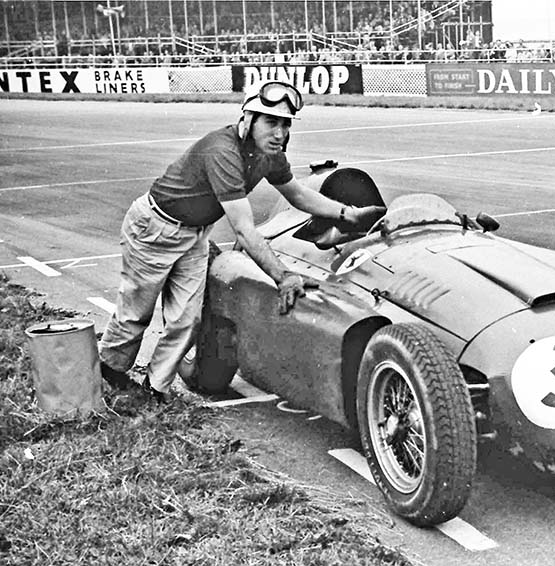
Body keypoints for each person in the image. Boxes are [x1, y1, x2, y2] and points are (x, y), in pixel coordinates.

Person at [97, 79, 385, 401]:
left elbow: (299, 195)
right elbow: (245, 231)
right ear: (247, 119)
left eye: (285, 124)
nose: (280, 133)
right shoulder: (222, 151)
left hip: (195, 233)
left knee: (187, 319)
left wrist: (347, 214)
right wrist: (284, 276)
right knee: (136, 312)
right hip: (155, 227)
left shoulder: (270, 153)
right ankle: (109, 373)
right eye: (271, 122)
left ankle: (155, 390)